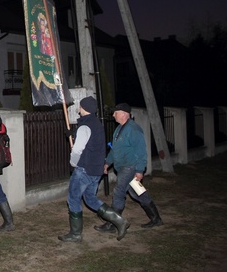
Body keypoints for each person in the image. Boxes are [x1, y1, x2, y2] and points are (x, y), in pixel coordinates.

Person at [58, 96, 129, 242]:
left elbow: (78, 149)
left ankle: (76, 234)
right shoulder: (95, 123)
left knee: (73, 198)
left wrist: (73, 163)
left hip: (84, 168)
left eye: (80, 106)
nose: (78, 109)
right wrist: (73, 134)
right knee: (90, 198)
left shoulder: (85, 126)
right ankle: (119, 221)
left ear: (84, 108)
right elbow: (92, 142)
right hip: (96, 169)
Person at [94, 103, 163, 234]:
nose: (113, 115)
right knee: (137, 192)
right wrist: (107, 163)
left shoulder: (134, 129)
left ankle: (113, 224)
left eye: (116, 112)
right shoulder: (119, 129)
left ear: (124, 114)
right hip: (124, 167)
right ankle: (156, 218)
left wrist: (139, 170)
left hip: (130, 167)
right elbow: (115, 150)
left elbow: (141, 151)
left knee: (119, 192)